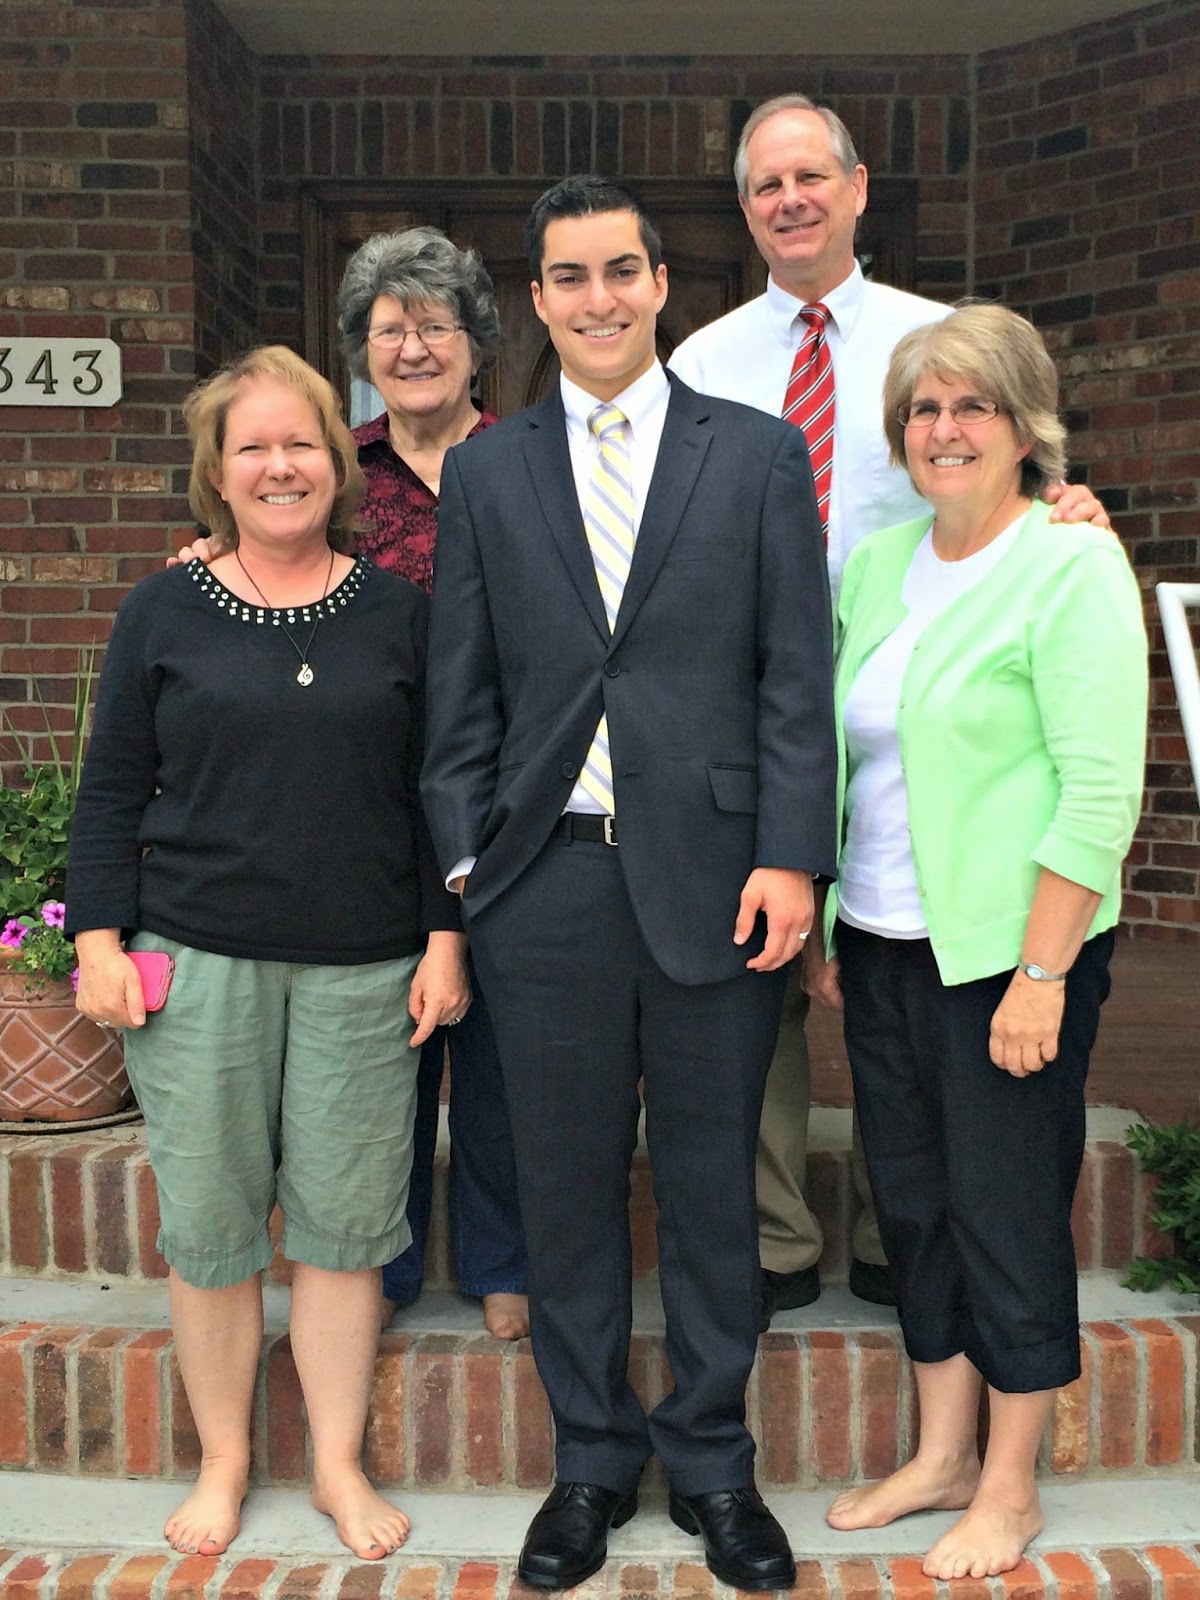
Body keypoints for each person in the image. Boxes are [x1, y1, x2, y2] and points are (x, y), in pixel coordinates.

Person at [422, 174, 836, 1593]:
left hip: (719, 882)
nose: (596, 299)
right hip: (542, 888)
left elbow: (795, 675)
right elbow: (458, 697)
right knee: (567, 1191)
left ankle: (715, 1463)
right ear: (536, 302)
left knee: (715, 1188)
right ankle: (590, 1459)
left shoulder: (757, 453)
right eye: (567, 277)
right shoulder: (489, 473)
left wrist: (790, 852)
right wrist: (470, 864)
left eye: (619, 271)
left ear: (661, 284)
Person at [669, 93, 1110, 1321]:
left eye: (811, 175)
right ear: (744, 208)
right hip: (748, 707)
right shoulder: (701, 364)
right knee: (760, 970)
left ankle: (891, 1232)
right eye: (766, 184)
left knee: (900, 957)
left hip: (905, 698)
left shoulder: (938, 344)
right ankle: (775, 1236)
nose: (791, 200)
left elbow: (1025, 479)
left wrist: (1073, 507)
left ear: (858, 188)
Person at [67, 346, 467, 1562]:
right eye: (254, 446)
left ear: (337, 464)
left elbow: (434, 795)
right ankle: (226, 1458)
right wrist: (98, 938)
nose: (279, 466)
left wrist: (445, 937)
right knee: (213, 1229)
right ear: (218, 470)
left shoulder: (401, 615)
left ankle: (337, 1462)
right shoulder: (161, 610)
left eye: (301, 443)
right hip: (198, 963)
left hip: (364, 966)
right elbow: (111, 785)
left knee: (346, 1231)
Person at [806, 302, 1146, 1578]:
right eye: (924, 409)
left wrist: (1044, 972)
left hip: (1012, 955)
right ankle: (944, 1453)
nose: (944, 429)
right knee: (914, 1206)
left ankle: (1010, 1484)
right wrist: (836, 921)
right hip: (886, 940)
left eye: (972, 405)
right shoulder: (879, 566)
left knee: (1006, 1212)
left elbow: (1100, 791)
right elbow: (850, 757)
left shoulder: (1070, 564)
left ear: (1024, 426)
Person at [178, 227, 529, 1342]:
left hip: (511, 785)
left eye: (435, 325)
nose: (413, 347)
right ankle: (380, 1258)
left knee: (501, 1042)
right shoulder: (334, 470)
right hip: (371, 792)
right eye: (389, 329)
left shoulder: (535, 461)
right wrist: (206, 556)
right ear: (361, 351)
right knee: (387, 1046)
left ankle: (504, 1258)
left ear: (477, 341)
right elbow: (263, 565)